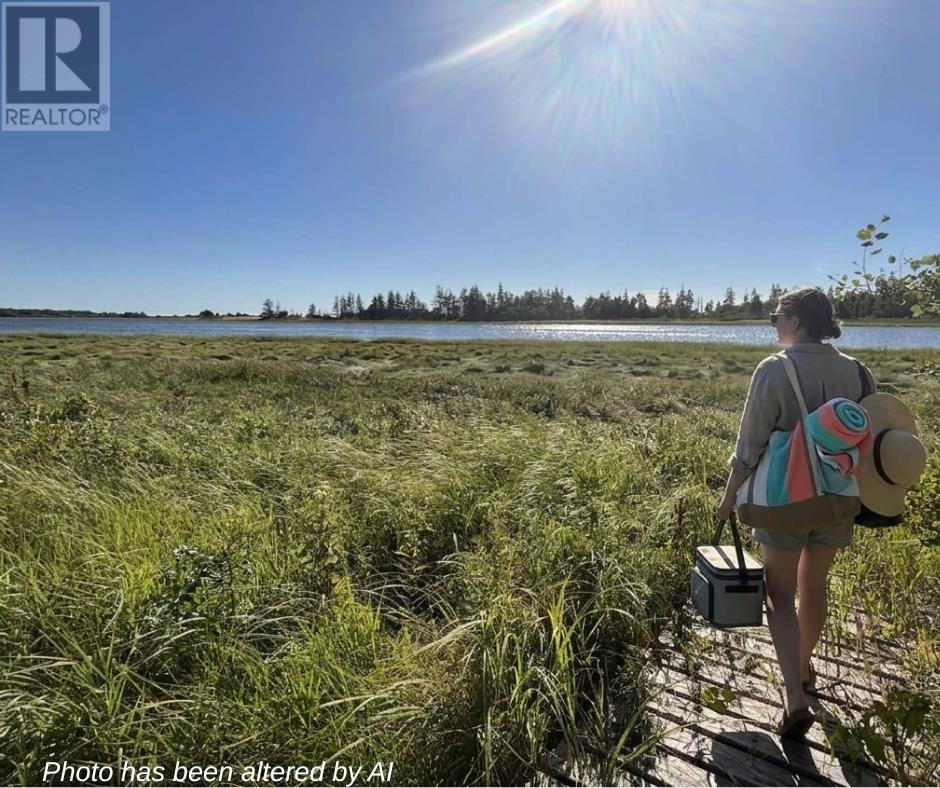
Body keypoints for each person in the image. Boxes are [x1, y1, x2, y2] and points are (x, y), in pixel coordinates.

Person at [715, 285, 877, 739]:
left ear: (797, 320)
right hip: (840, 498)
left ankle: (793, 697)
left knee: (779, 596)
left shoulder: (774, 369)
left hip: (784, 502)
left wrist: (729, 497)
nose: (774, 324)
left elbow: (749, 446)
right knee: (815, 586)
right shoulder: (859, 372)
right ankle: (804, 669)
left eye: (776, 316)